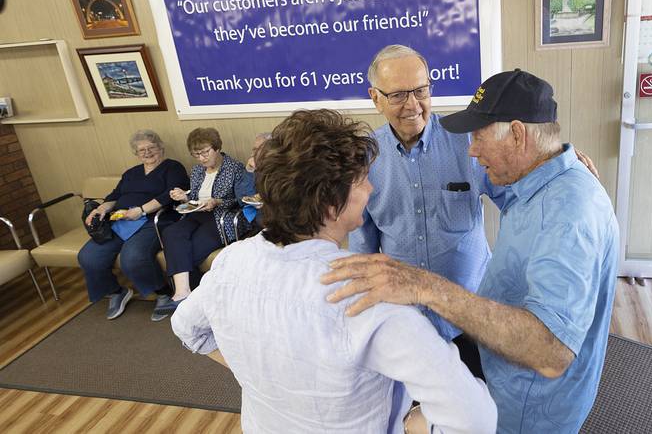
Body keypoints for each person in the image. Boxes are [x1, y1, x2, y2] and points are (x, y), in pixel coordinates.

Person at [323, 70, 619, 433]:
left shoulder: (567, 213)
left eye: (479, 136)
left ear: (517, 134)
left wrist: (425, 287)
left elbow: (550, 351)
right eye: (398, 95)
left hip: (525, 410)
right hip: (494, 367)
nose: (472, 149)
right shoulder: (538, 180)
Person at [171, 110, 497, 433]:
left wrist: (261, 379)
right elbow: (477, 419)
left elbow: (186, 328)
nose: (371, 188)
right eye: (362, 180)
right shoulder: (370, 300)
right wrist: (417, 423)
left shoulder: (231, 262)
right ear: (332, 205)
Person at [349, 44, 598, 378]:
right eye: (397, 96)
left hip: (471, 315)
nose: (412, 105)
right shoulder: (363, 158)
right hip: (402, 320)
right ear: (375, 98)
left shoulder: (470, 143)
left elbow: (522, 199)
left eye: (421, 91)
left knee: (480, 408)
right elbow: (363, 247)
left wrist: (561, 172)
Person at [78, 129, 189, 321]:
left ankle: (162, 293)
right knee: (88, 256)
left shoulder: (173, 167)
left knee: (133, 257)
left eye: (151, 148)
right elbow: (114, 196)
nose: (147, 153)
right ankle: (115, 292)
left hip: (153, 219)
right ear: (136, 153)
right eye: (141, 150)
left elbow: (169, 195)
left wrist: (141, 210)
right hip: (121, 220)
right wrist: (101, 209)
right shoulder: (131, 173)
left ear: (161, 148)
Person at [156, 127, 246, 318]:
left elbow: (240, 199)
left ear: (217, 148)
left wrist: (217, 201)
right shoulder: (197, 170)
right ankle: (185, 295)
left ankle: (189, 298)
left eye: (205, 152)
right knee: (172, 232)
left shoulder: (235, 168)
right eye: (197, 154)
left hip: (223, 217)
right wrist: (183, 197)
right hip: (196, 213)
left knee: (191, 249)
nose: (202, 158)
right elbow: (194, 197)